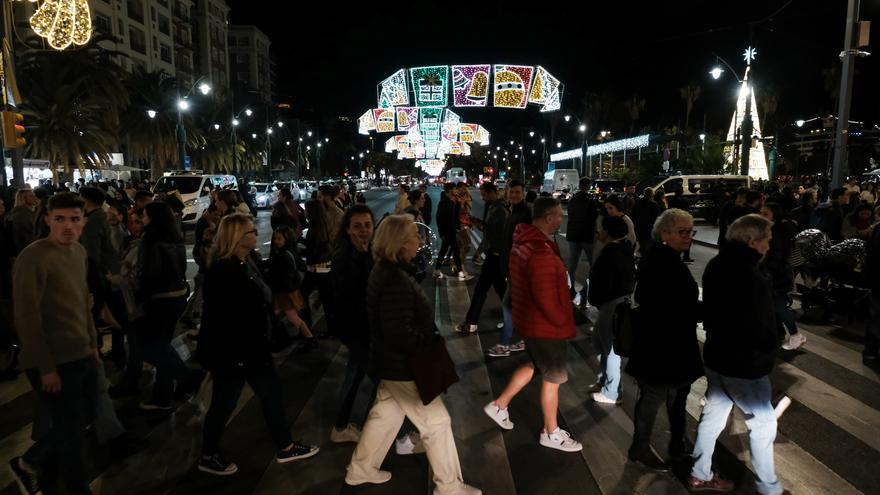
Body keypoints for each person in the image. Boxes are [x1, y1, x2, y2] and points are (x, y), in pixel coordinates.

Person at [345, 214, 480, 494]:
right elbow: (399, 331)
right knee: (437, 422)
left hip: (389, 362)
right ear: (400, 243)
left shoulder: (386, 269)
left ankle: (361, 469)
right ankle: (449, 487)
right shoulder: (393, 278)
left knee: (385, 416)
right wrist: (428, 344)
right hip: (402, 366)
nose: (419, 241)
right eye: (415, 237)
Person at [197, 214, 319, 475]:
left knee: (271, 395)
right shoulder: (224, 269)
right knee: (223, 404)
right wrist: (238, 352)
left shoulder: (245, 263)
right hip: (235, 352)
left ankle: (285, 446)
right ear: (237, 238)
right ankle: (207, 455)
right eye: (251, 232)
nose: (256, 235)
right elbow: (222, 317)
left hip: (253, 349)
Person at [689, 214, 787, 495]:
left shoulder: (718, 264)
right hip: (744, 362)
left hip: (719, 353)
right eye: (766, 239)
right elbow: (756, 322)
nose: (769, 245)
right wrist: (769, 348)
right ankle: (769, 488)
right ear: (752, 241)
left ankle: (699, 473)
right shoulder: (749, 274)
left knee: (714, 417)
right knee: (764, 424)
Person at [10, 192, 99, 495]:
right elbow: (26, 316)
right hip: (51, 359)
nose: (68, 226)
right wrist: (46, 367)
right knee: (70, 430)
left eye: (75, 219)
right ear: (47, 219)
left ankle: (35, 467)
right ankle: (71, 485)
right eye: (59, 219)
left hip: (80, 353)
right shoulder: (33, 256)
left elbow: (81, 300)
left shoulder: (79, 252)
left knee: (76, 421)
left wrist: (93, 343)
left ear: (84, 221)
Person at [483, 198, 583, 453]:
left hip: (531, 320)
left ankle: (499, 405)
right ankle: (551, 432)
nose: (562, 219)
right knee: (553, 379)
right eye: (559, 215)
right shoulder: (539, 250)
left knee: (535, 365)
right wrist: (563, 322)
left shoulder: (525, 241)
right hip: (546, 325)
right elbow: (545, 296)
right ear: (548, 218)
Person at [625, 208, 703, 471]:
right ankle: (641, 446)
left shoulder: (664, 257)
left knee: (674, 395)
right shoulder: (663, 261)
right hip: (663, 345)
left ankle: (676, 445)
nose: (688, 237)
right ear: (665, 234)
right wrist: (704, 311)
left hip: (668, 343)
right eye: (682, 232)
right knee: (654, 396)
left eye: (690, 231)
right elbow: (669, 305)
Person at [131, 202, 203, 410]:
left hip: (159, 299)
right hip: (177, 296)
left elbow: (149, 274)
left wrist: (139, 297)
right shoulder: (175, 236)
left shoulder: (150, 238)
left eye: (144, 216)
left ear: (153, 218)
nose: (142, 220)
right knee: (163, 347)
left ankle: (188, 376)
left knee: (146, 348)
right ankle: (162, 397)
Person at [330, 204, 375, 443]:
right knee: (384, 381)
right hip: (356, 328)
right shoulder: (344, 254)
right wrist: (359, 255)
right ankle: (396, 435)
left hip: (365, 328)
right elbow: (348, 291)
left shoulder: (368, 250)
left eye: (367, 225)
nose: (363, 230)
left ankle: (339, 427)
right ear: (347, 229)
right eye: (357, 226)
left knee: (354, 376)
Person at [588, 216, 636, 406]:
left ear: (608, 232)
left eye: (600, 229)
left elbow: (603, 283)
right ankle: (603, 381)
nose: (598, 232)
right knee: (599, 343)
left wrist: (598, 302)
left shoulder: (611, 252)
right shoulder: (623, 247)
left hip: (611, 304)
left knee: (610, 350)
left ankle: (612, 392)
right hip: (615, 303)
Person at [455, 183, 509, 342]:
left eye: (484, 194)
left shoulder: (499, 209)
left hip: (495, 254)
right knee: (501, 290)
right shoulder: (494, 207)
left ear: (493, 193)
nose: (482, 197)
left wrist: (477, 223)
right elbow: (490, 229)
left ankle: (471, 322)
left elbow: (495, 231)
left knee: (481, 289)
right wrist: (476, 222)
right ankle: (513, 319)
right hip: (494, 254)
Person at [761, 203, 805, 350]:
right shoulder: (774, 229)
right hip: (776, 275)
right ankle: (779, 335)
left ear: (775, 215)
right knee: (774, 307)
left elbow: (776, 257)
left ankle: (795, 335)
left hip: (777, 276)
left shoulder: (777, 233)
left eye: (765, 213)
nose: (761, 216)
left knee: (779, 307)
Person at [267, 226, 314, 343]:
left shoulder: (281, 256)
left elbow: (275, 275)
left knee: (291, 316)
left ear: (286, 240)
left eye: (279, 239)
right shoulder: (291, 252)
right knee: (279, 314)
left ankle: (309, 338)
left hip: (284, 292)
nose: (275, 241)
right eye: (275, 238)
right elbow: (302, 267)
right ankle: (307, 338)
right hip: (289, 291)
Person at [300, 200, 335, 341]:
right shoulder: (323, 224)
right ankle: (332, 329)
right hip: (324, 267)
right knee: (327, 300)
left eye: (306, 210)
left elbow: (313, 251)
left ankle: (306, 328)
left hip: (317, 269)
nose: (305, 212)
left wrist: (301, 251)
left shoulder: (314, 228)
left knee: (303, 294)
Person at [565, 178, 600, 307]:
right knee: (592, 264)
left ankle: (570, 288)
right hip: (586, 236)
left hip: (573, 234)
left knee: (573, 264)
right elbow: (594, 218)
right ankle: (586, 290)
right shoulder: (590, 201)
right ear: (588, 186)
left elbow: (570, 214)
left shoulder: (572, 200)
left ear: (580, 185)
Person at [434, 182, 471, 280]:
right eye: (454, 189)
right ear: (450, 191)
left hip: (452, 231)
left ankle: (438, 270)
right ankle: (459, 271)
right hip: (447, 232)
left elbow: (455, 216)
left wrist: (458, 203)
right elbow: (439, 219)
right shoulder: (443, 202)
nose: (456, 191)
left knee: (446, 250)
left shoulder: (452, 202)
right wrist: (441, 233)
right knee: (454, 250)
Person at [593, 195, 636, 259]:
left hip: (619, 256)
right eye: (606, 208)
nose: (608, 211)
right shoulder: (610, 219)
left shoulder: (626, 220)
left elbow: (631, 240)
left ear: (617, 206)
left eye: (610, 208)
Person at [7, 187, 38, 254]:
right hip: (27, 250)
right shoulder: (21, 215)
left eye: (34, 195)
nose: (35, 198)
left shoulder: (30, 212)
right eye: (31, 196)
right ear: (23, 198)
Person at [631, 187, 661, 256]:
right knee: (649, 247)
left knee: (642, 246)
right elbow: (656, 218)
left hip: (639, 228)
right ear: (652, 195)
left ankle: (643, 259)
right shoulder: (654, 205)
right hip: (649, 228)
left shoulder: (638, 203)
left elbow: (633, 215)